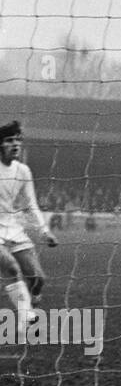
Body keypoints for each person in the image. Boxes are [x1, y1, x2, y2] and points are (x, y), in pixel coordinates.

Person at [0, 122, 57, 327]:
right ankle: (26, 316)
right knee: (13, 269)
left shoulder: (23, 171)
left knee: (37, 279)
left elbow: (31, 203)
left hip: (13, 228)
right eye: (9, 141)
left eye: (18, 140)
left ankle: (31, 301)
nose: (15, 144)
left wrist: (44, 231)